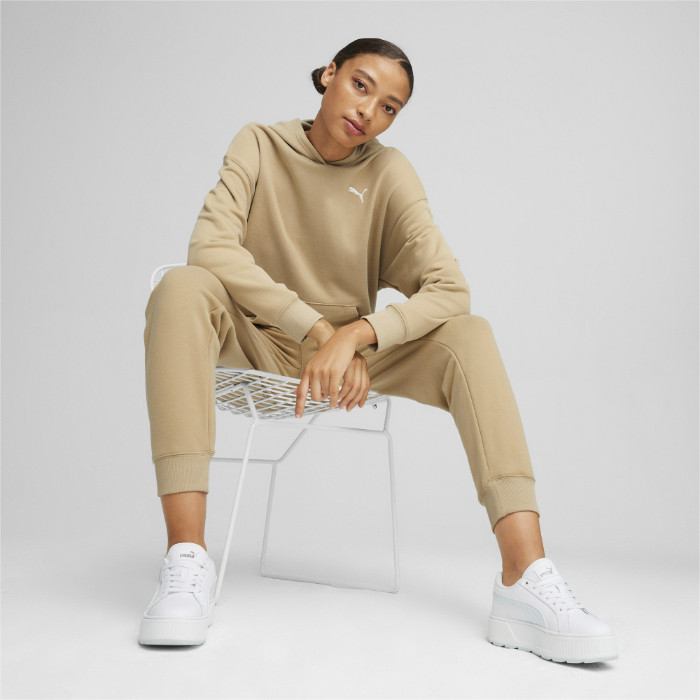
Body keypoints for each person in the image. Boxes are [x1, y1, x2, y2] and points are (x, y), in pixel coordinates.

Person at [138, 37, 618, 663]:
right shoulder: (258, 144)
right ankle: (185, 561)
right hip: (259, 340)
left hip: (352, 363)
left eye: (390, 106)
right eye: (361, 85)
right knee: (181, 285)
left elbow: (450, 289)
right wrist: (316, 329)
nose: (369, 111)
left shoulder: (389, 173)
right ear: (329, 74)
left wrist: (357, 335)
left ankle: (524, 579)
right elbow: (210, 247)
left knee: (470, 333)